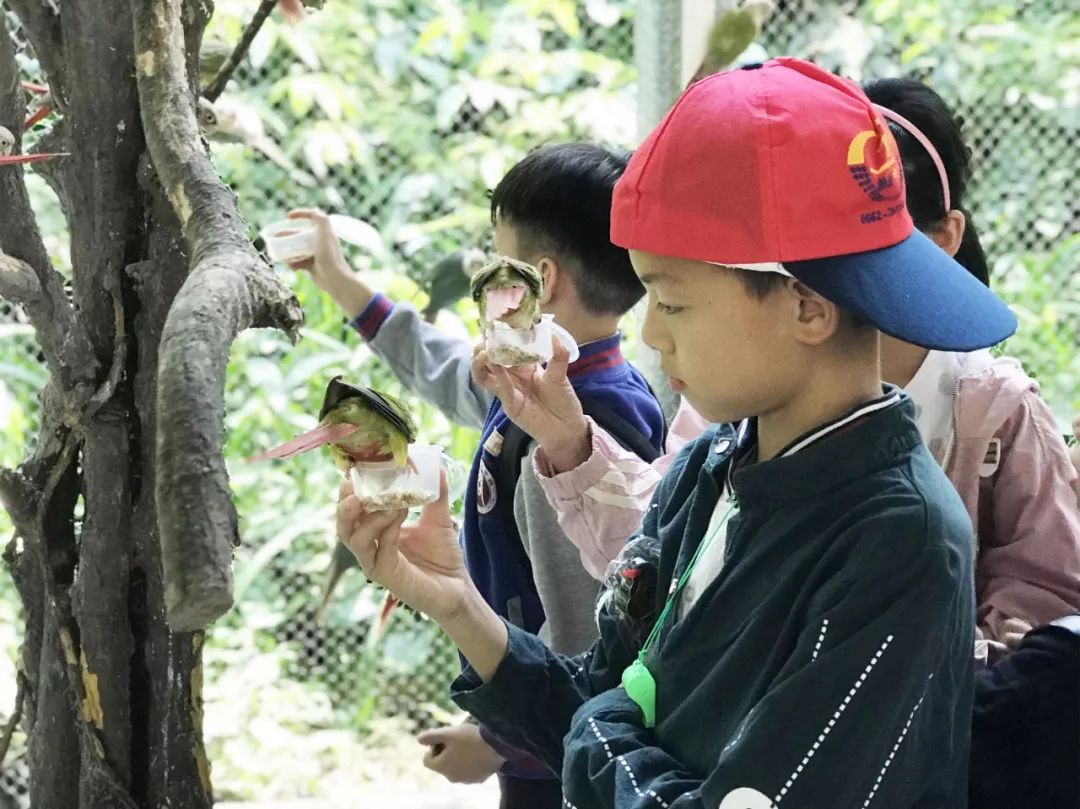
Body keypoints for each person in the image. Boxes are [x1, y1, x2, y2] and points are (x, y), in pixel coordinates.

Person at [336, 58, 1018, 807]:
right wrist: (457, 601)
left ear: (807, 304)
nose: (652, 334)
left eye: (674, 301)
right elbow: (601, 690)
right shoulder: (712, 466)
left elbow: (609, 728)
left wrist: (603, 728)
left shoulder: (899, 541)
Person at [498, 76, 1080, 665]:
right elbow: (661, 567)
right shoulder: (730, 417)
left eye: (671, 303)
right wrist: (572, 443)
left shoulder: (970, 440)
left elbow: (1043, 629)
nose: (650, 333)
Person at [289, 143, 666, 807]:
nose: (485, 287)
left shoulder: (586, 429)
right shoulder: (533, 378)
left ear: (539, 282)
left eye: (495, 265)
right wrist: (339, 280)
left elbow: (593, 629)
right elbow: (443, 369)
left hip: (566, 753)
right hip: (537, 725)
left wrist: (499, 740)